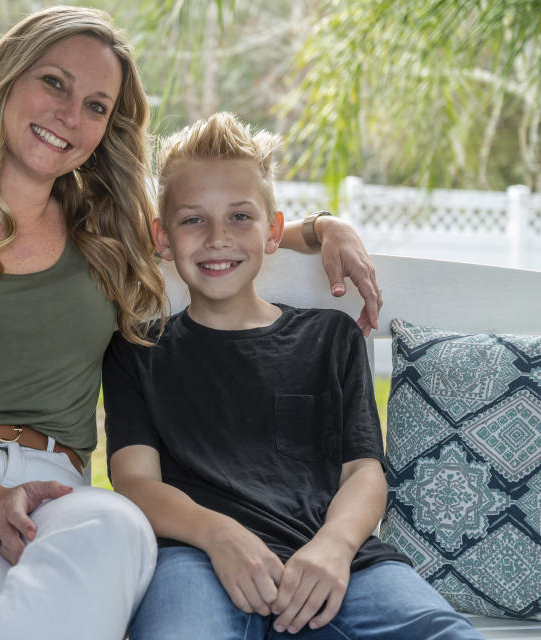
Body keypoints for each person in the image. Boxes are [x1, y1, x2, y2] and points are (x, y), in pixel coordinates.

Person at [0, 7, 384, 640]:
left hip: (61, 501)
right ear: (4, 78)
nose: (70, 115)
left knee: (119, 527)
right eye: (54, 83)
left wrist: (321, 228)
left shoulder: (105, 232)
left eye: (96, 106)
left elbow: (211, 231)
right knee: (2, 605)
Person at [103, 112, 485, 640]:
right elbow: (135, 481)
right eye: (193, 220)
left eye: (240, 217)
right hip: (194, 556)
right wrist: (219, 535)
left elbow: (363, 473)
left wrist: (335, 546)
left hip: (334, 561)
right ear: (162, 238)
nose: (218, 238)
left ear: (273, 233)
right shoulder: (138, 348)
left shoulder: (330, 338)